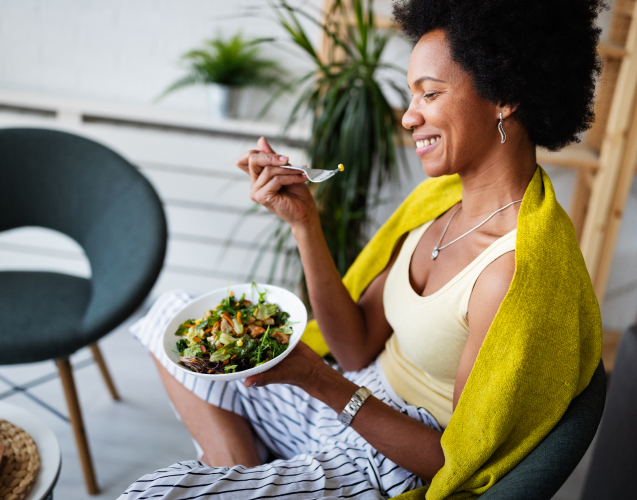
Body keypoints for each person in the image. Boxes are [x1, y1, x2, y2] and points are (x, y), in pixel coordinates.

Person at [120, 0, 604, 498]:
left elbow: (451, 461)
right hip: (352, 395)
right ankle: (238, 470)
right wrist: (305, 224)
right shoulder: (438, 203)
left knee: (156, 491)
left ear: (504, 95)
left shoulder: (512, 272)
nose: (409, 118)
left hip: (390, 457)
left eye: (429, 94)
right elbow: (352, 348)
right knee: (170, 316)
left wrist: (316, 377)